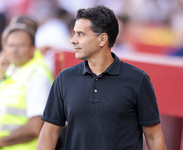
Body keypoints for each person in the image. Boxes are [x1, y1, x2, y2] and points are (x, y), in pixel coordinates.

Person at [37, 5, 166, 150]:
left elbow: (153, 137)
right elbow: (49, 131)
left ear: (102, 39)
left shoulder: (138, 80)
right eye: (74, 33)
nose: (73, 40)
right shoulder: (64, 79)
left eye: (81, 34)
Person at [0, 24, 53, 150]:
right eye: (10, 45)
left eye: (20, 45)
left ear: (33, 49)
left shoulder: (37, 76)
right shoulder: (11, 69)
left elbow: (35, 127)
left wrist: (1, 142)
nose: (14, 50)